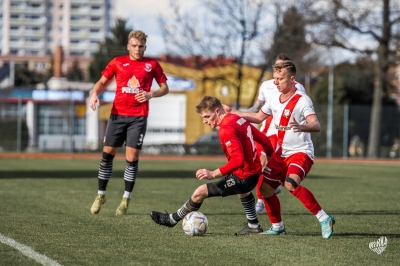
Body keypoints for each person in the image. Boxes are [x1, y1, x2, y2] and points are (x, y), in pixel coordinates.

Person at [225, 61, 335, 238]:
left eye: (280, 79)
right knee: (265, 190)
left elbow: (316, 124)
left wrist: (303, 126)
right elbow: (258, 116)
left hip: (300, 152)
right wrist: (232, 112)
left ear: (292, 79)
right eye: (275, 78)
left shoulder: (302, 100)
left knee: (290, 184)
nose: (275, 82)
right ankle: (277, 227)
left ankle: (324, 218)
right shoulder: (274, 98)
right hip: (280, 153)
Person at [150, 96, 273, 234]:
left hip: (244, 175)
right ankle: (253, 225)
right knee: (243, 192)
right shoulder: (238, 119)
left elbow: (237, 160)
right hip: (252, 172)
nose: (205, 121)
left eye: (207, 116)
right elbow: (264, 140)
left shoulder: (226, 129)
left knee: (199, 192)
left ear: (218, 111)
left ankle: (172, 219)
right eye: (203, 118)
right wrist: (267, 156)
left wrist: (213, 173)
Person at [89, 30, 169, 216]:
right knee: (107, 156)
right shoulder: (118, 62)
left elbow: (165, 88)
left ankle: (126, 199)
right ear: (128, 46)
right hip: (117, 115)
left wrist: (151, 94)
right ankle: (101, 195)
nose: (137, 49)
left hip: (138, 117)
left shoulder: (152, 64)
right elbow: (101, 81)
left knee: (131, 158)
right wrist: (94, 94)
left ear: (145, 47)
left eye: (140, 46)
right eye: (134, 46)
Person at [246, 54, 306, 213]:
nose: (277, 77)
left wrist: (299, 128)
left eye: (281, 71)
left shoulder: (298, 88)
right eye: (276, 70)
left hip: (279, 133)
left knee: (265, 163)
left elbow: (303, 111)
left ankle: (260, 200)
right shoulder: (266, 86)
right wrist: (235, 114)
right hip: (264, 129)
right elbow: (257, 110)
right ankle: (270, 189)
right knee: (260, 165)